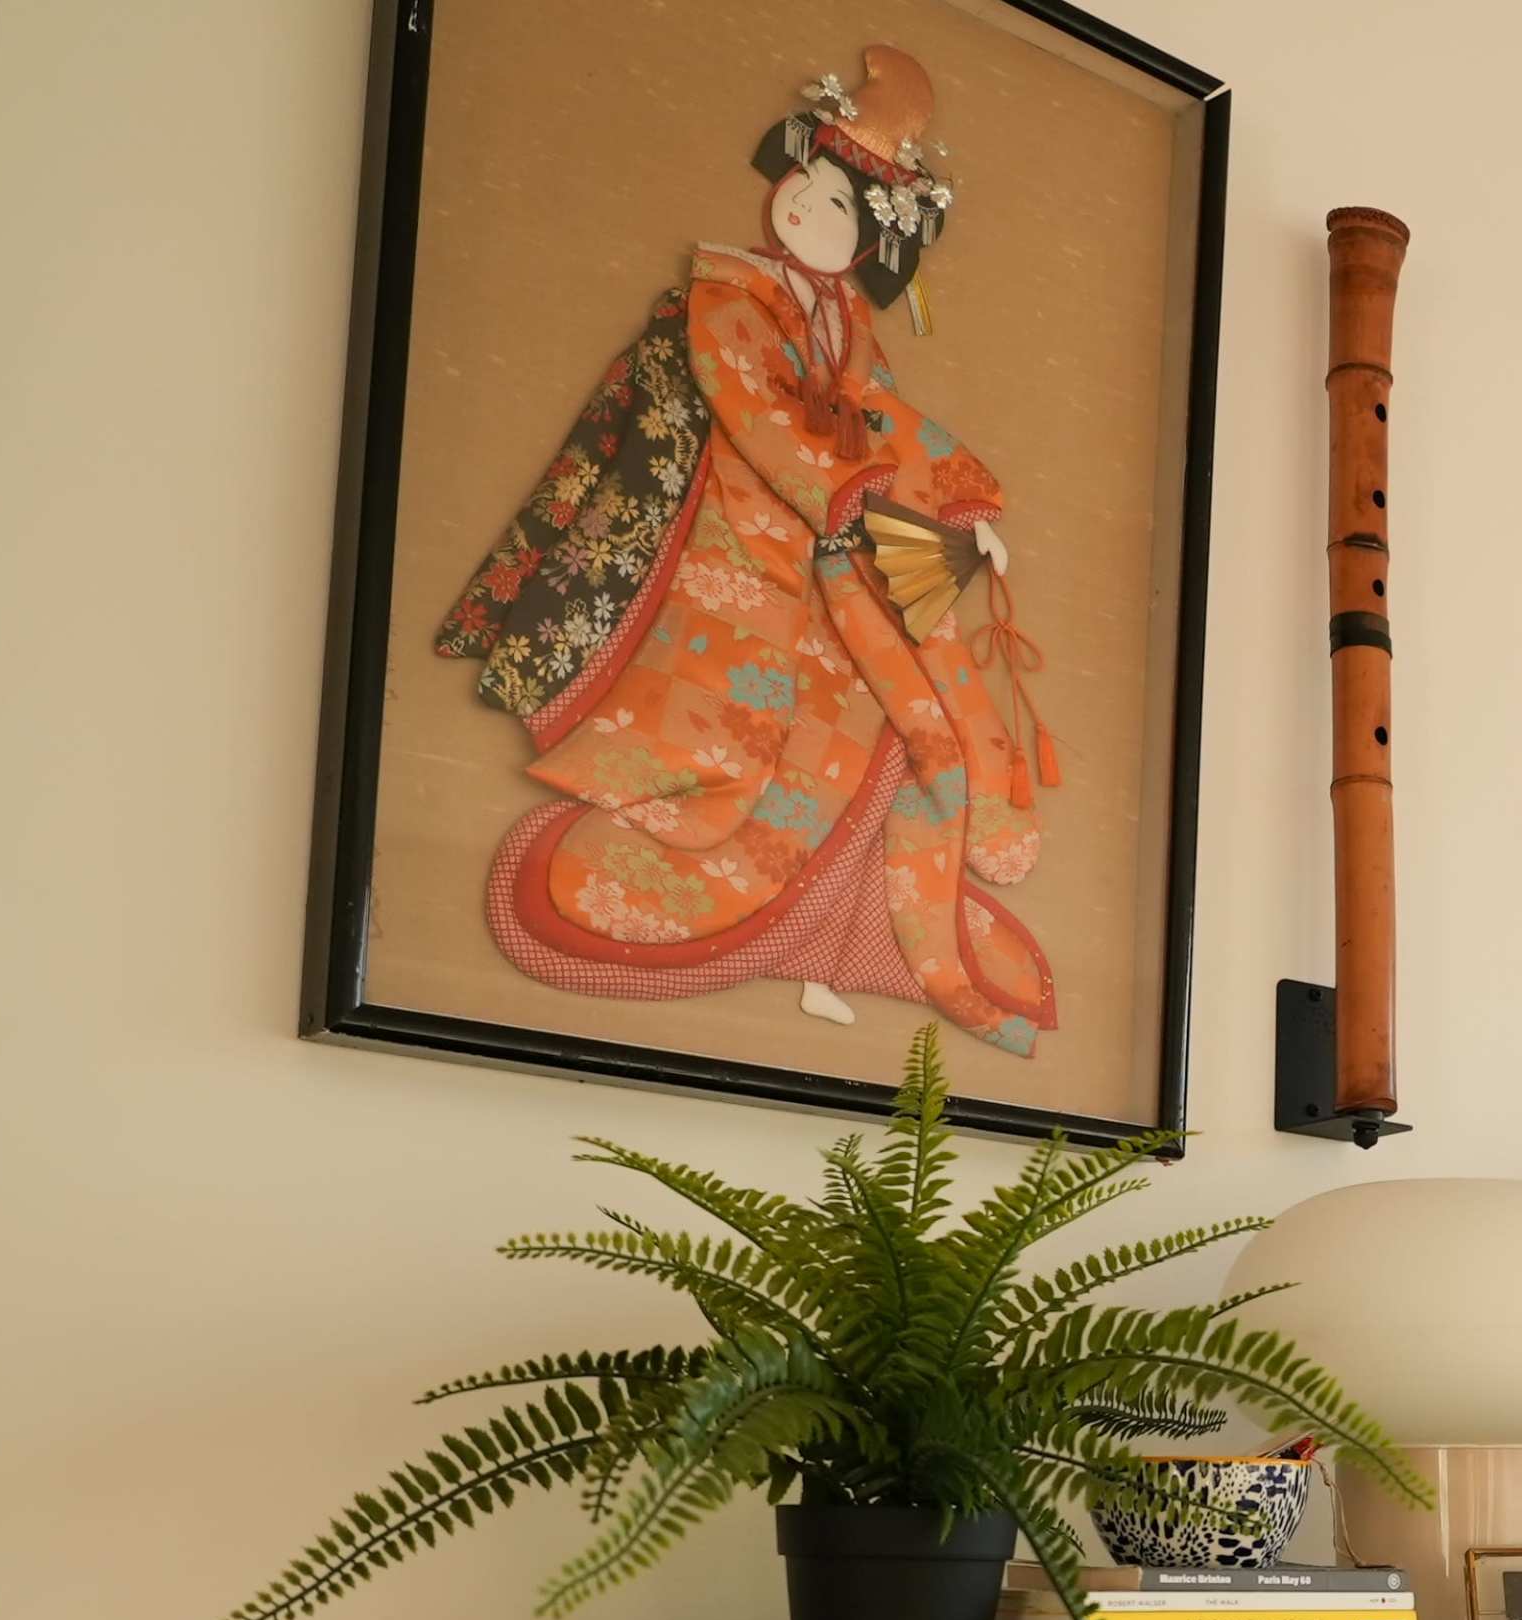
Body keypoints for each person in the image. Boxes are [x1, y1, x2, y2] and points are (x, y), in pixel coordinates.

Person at [437, 47, 1062, 1054]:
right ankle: (752, 908)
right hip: (733, 524)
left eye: (842, 213)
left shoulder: (847, 329)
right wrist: (839, 492)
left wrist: (961, 503)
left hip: (820, 543)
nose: (812, 217)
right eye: (807, 192)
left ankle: (824, 938)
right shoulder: (728, 299)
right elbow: (756, 412)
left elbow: (883, 419)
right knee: (731, 733)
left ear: (868, 245)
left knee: (878, 726)